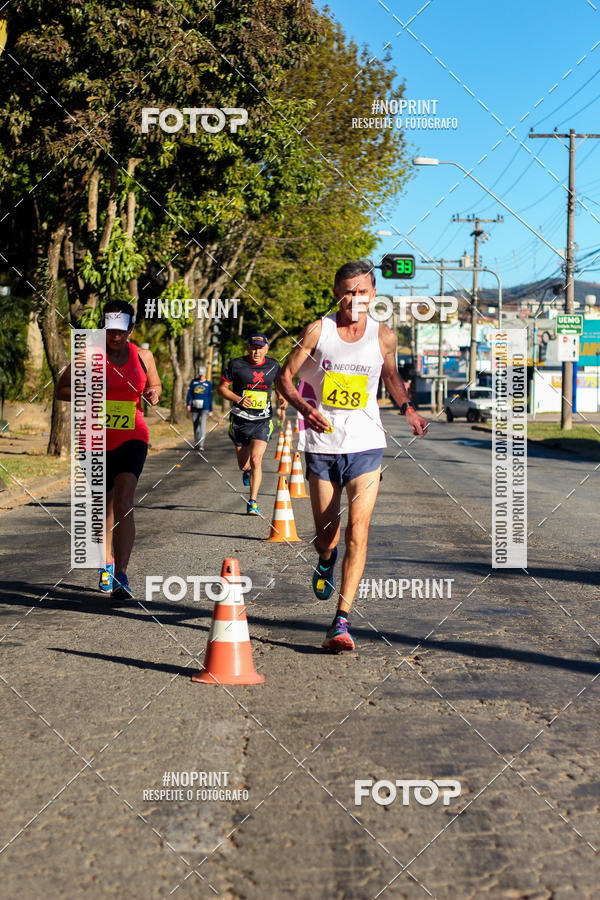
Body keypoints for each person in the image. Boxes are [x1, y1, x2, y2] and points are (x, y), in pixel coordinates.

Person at [276, 260, 428, 652]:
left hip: (366, 444)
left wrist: (407, 409)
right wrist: (305, 408)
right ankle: (326, 559)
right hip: (321, 444)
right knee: (326, 535)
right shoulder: (318, 331)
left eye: (362, 292)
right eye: (348, 291)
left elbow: (391, 377)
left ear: (374, 294)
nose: (355, 299)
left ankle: (341, 620)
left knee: (358, 529)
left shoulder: (384, 336)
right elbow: (284, 377)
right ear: (336, 293)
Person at [56, 299, 162, 600]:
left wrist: (154, 393)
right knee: (103, 503)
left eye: (121, 330)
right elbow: (61, 390)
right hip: (95, 437)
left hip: (133, 434)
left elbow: (154, 385)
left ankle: (122, 574)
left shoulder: (143, 356)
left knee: (125, 500)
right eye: (110, 329)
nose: (115, 335)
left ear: (130, 328)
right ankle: (105, 562)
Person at [219, 333, 286, 515]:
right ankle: (246, 471)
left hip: (262, 421)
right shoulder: (236, 365)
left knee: (257, 459)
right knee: (244, 464)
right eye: (254, 348)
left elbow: (279, 384)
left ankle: (253, 502)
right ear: (248, 348)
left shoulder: (273, 365)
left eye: (260, 348)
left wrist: (281, 397)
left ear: (266, 349)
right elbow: (222, 388)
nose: (257, 352)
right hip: (240, 420)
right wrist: (238, 399)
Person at [186, 365, 213, 451]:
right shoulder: (193, 382)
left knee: (202, 425)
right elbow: (189, 393)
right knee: (195, 425)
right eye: (200, 374)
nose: (201, 376)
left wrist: (211, 409)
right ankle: (197, 442)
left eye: (202, 375)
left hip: (205, 407)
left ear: (205, 374)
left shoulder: (208, 384)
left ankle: (201, 444)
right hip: (195, 406)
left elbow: (210, 396)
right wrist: (188, 404)